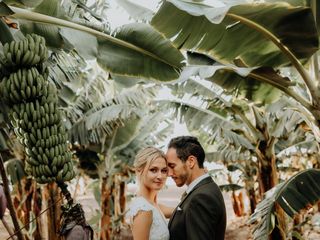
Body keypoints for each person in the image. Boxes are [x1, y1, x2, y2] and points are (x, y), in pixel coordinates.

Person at [166, 136, 227, 240]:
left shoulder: (200, 198)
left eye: (172, 166)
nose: (169, 173)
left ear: (191, 161)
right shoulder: (205, 188)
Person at [127, 147, 172, 240]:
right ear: (139, 171)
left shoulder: (153, 204)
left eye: (164, 171)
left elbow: (180, 210)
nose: (160, 176)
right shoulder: (144, 210)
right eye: (153, 170)